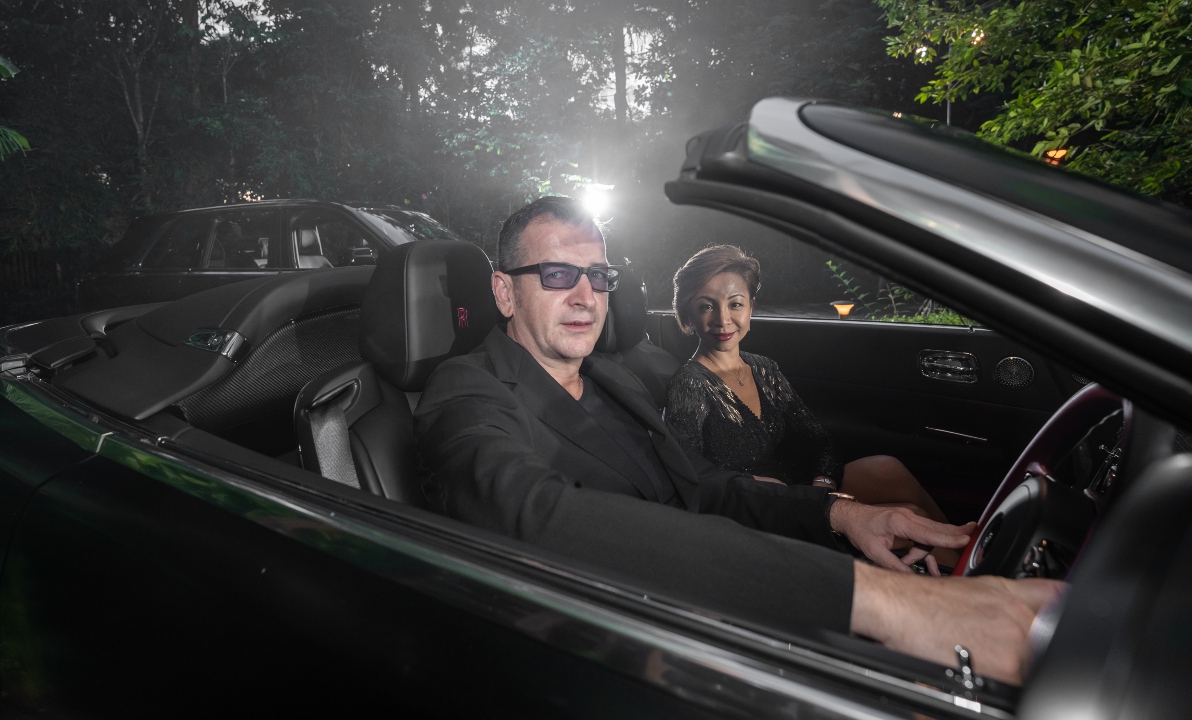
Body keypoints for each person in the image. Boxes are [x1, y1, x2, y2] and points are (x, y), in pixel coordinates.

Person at [415, 196, 1061, 684]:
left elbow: (701, 484)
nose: (587, 296)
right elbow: (535, 518)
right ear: (505, 292)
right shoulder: (466, 389)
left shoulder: (612, 378)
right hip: (626, 638)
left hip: (716, 592)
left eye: (600, 276)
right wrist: (880, 602)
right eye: (558, 274)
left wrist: (840, 514)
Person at [665, 244, 959, 568]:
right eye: (707, 306)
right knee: (911, 517)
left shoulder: (764, 368)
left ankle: (969, 551)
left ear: (750, 307)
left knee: (889, 468)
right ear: (688, 314)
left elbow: (819, 439)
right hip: (758, 508)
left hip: (801, 487)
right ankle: (972, 580)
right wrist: (760, 488)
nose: (723, 319)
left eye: (735, 304)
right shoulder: (689, 385)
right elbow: (689, 478)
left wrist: (822, 485)